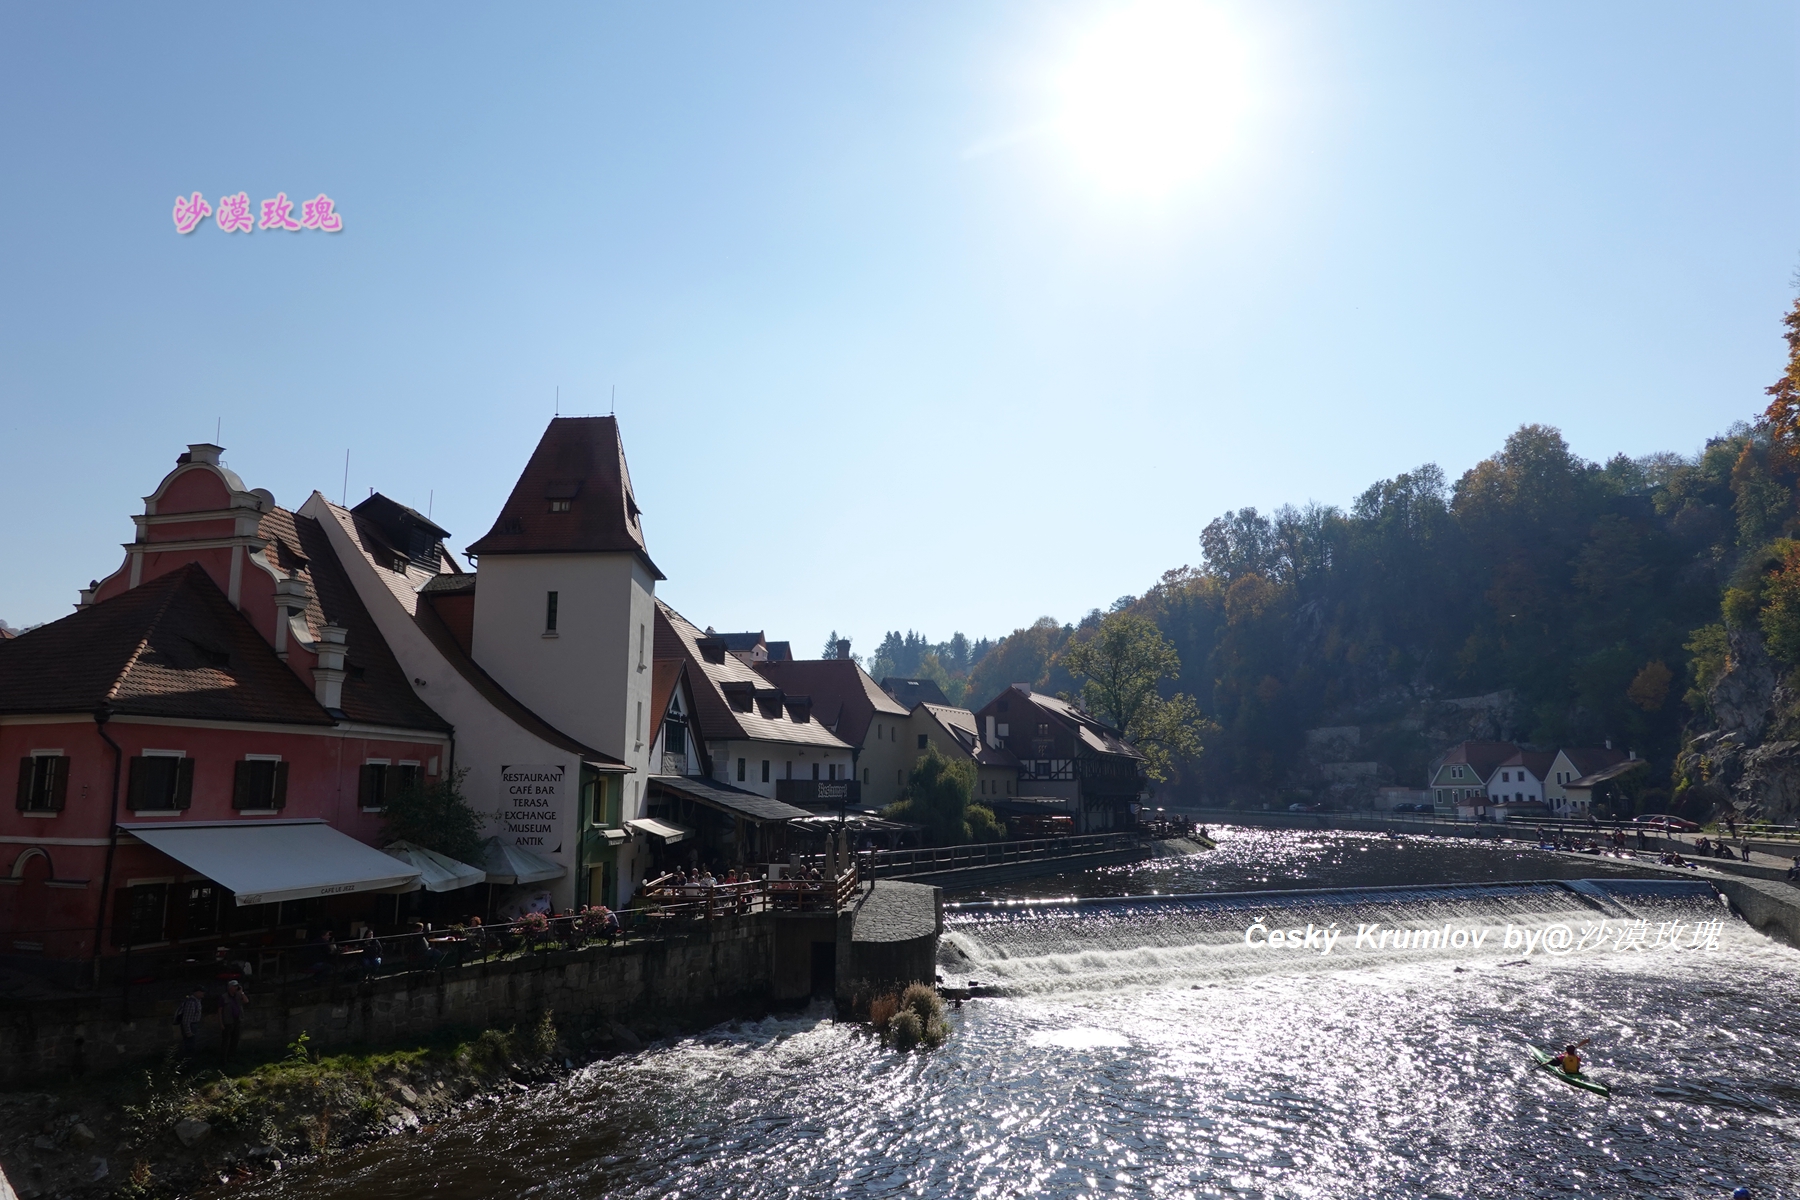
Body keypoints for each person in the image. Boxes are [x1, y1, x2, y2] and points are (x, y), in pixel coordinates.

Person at [219, 979, 249, 1065]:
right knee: (226, 1041)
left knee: (235, 1040)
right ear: (230, 987)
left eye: (237, 986)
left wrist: (241, 992)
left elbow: (246, 1001)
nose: (236, 988)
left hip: (237, 1020)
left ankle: (231, 1057)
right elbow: (220, 1010)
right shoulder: (224, 997)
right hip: (227, 1022)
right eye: (235, 986)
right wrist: (221, 1023)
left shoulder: (238, 995)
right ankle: (223, 1059)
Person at [175, 987, 205, 1058]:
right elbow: (186, 1019)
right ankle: (188, 1063)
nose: (203, 994)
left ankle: (191, 1061)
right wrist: (188, 1031)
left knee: (192, 1045)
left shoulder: (197, 1001)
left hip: (193, 1025)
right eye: (201, 992)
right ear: (197, 992)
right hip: (190, 1026)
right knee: (189, 1046)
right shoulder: (191, 1002)